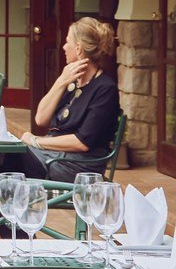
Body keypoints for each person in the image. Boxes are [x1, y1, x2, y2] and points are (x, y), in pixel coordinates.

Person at [17, 16, 121, 182]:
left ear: (78, 49)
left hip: (75, 165)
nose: (64, 47)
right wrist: (60, 82)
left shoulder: (105, 89)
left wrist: (36, 141)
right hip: (54, 156)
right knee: (1, 158)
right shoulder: (72, 81)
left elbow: (82, 142)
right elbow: (40, 119)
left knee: (11, 161)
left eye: (67, 42)